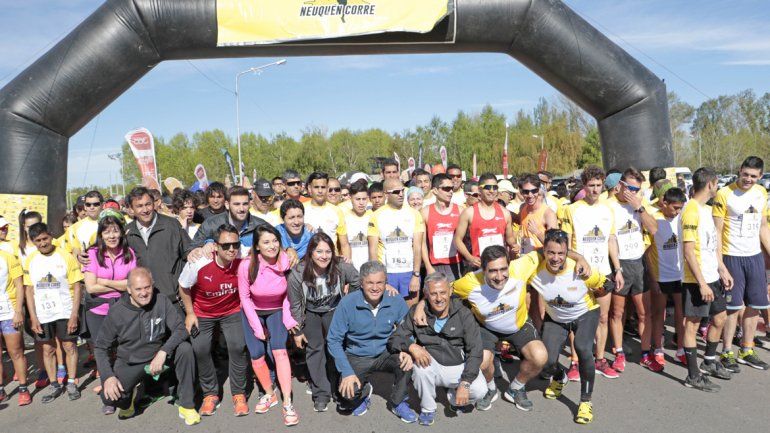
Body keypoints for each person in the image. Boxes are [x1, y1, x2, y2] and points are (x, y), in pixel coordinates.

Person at [447, 246, 559, 412]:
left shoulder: (520, 267)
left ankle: (516, 388)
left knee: (540, 357)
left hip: (518, 325)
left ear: (509, 265)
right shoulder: (469, 282)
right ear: (483, 269)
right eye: (492, 271)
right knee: (482, 361)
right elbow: (442, 290)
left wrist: (580, 259)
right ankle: (491, 388)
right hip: (487, 327)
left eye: (503, 269)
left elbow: (550, 247)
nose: (499, 277)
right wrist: (420, 306)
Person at [95, 267, 200, 425]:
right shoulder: (117, 312)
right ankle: (128, 400)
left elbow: (180, 329)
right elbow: (100, 347)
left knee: (185, 349)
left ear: (153, 285)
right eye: (138, 289)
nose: (143, 293)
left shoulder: (161, 300)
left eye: (147, 287)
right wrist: (108, 377)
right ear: (129, 289)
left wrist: (163, 351)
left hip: (158, 356)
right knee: (110, 398)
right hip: (131, 361)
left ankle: (187, 406)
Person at [388, 272, 485, 426]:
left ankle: (454, 397)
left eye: (443, 292)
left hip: (458, 365)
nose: (439, 298)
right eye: (433, 294)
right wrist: (412, 346)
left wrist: (465, 383)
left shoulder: (464, 313)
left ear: (450, 292)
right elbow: (395, 338)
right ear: (426, 294)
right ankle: (428, 408)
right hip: (432, 364)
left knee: (480, 391)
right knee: (420, 368)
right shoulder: (417, 312)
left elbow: (475, 350)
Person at [530, 229, 607, 425]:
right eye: (551, 253)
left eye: (561, 253)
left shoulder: (579, 268)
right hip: (556, 317)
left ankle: (585, 401)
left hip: (585, 314)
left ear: (567, 253)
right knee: (545, 361)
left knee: (582, 348)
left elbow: (607, 286)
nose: (555, 258)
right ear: (544, 251)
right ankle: (559, 377)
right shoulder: (534, 268)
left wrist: (603, 313)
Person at [326, 261, 417, 422]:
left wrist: (407, 350)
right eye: (370, 283)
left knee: (406, 363)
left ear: (385, 282)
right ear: (361, 283)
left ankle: (398, 402)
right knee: (348, 393)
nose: (375, 288)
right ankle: (365, 390)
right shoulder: (347, 303)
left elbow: (408, 330)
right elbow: (333, 340)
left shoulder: (395, 300)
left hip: (387, 351)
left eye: (379, 283)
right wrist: (346, 372)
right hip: (358, 354)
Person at [178, 224, 249, 417]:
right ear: (215, 246)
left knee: (237, 346)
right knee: (200, 348)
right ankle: (210, 393)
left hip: (231, 310)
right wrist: (190, 313)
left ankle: (239, 393)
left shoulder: (243, 258)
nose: (232, 249)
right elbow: (183, 286)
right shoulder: (199, 262)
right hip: (203, 312)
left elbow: (269, 248)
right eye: (226, 246)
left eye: (235, 244)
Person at [288, 232, 362, 412]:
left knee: (335, 349)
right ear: (311, 252)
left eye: (328, 251)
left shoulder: (341, 266)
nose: (324, 256)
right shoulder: (298, 272)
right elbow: (296, 305)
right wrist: (297, 331)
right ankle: (321, 392)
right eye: (319, 251)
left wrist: (348, 301)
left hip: (334, 310)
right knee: (315, 350)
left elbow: (358, 281)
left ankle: (338, 388)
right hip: (311, 313)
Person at [560, 166, 621, 379]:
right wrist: (577, 261)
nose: (595, 190)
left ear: (603, 184)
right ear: (584, 186)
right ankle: (575, 361)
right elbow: (565, 246)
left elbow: (611, 240)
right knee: (577, 319)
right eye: (591, 185)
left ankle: (600, 359)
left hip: (603, 272)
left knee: (602, 318)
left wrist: (618, 269)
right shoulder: (572, 209)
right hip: (579, 274)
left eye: (598, 185)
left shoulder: (608, 209)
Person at [237, 224, 299, 426]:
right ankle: (270, 393)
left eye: (275, 241)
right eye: (266, 242)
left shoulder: (285, 261)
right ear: (256, 246)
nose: (272, 246)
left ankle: (288, 403)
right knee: (257, 355)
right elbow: (244, 298)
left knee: (280, 351)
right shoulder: (246, 265)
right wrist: (256, 326)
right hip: (253, 310)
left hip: (278, 309)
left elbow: (289, 294)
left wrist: (288, 318)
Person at [713, 156, 770, 371]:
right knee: (733, 308)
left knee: (756, 305)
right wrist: (720, 264)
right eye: (745, 174)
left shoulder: (761, 193)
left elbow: (763, 226)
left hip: (754, 256)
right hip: (731, 256)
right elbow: (717, 231)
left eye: (753, 176)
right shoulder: (724, 193)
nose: (748, 179)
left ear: (760, 176)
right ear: (739, 171)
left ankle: (747, 348)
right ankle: (727, 350)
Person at [681, 167, 734, 392]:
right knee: (692, 325)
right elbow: (689, 251)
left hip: (712, 275)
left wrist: (722, 268)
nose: (718, 187)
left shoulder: (705, 209)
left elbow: (711, 245)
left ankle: (709, 361)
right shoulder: (691, 210)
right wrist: (701, 283)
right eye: (716, 184)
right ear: (711, 184)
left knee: (720, 318)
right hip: (696, 280)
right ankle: (693, 375)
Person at [606, 168, 662, 373]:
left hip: (639, 263)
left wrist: (639, 207)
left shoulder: (639, 204)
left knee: (643, 313)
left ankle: (646, 353)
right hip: (619, 264)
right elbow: (610, 238)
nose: (633, 192)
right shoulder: (609, 206)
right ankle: (619, 352)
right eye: (630, 188)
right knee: (618, 312)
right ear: (619, 185)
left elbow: (654, 229)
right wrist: (617, 268)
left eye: (637, 189)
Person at [83, 210, 137, 413]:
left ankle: (124, 389)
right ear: (101, 235)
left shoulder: (129, 254)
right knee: (103, 351)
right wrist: (119, 285)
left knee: (123, 349)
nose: (112, 236)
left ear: (122, 233)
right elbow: (91, 288)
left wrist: (103, 281)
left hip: (122, 308)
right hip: (98, 310)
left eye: (115, 231)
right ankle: (108, 395)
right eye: (107, 232)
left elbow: (131, 284)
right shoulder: (92, 254)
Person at [24, 222, 83, 403]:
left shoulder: (65, 256)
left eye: (45, 238)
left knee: (69, 347)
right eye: (38, 241)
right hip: (42, 314)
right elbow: (28, 290)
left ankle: (72, 382)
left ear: (51, 236)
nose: (42, 243)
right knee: (48, 349)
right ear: (33, 241)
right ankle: (54, 385)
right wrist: (33, 317)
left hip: (65, 311)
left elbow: (77, 286)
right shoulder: (31, 259)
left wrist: (74, 314)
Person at [124, 187, 191, 303]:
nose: (145, 210)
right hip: (143, 302)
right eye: (139, 206)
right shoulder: (127, 233)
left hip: (173, 300)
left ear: (154, 204)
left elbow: (189, 252)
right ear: (131, 209)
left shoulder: (171, 225)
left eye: (148, 204)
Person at [647, 187, 687, 365]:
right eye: (675, 208)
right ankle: (657, 349)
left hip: (681, 276)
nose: (677, 211)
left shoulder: (683, 219)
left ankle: (680, 349)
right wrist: (652, 278)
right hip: (661, 276)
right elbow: (647, 253)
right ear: (664, 203)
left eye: (680, 208)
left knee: (681, 314)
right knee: (659, 314)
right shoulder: (655, 219)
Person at [368, 178, 424, 305]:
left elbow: (417, 247)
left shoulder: (414, 214)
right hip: (387, 273)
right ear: (386, 194)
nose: (401, 194)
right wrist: (380, 279)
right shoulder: (376, 216)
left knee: (411, 314)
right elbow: (373, 251)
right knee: (389, 316)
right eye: (396, 191)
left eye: (402, 191)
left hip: (408, 272)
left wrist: (415, 275)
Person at [454, 173, 516, 271]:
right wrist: (470, 257)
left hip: (498, 267)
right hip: (478, 266)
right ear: (479, 190)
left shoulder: (505, 213)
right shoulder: (469, 212)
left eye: (495, 187)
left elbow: (510, 239)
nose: (491, 191)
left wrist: (515, 246)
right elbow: (457, 239)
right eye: (487, 187)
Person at [188, 186, 269, 260]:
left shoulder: (261, 226)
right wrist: (197, 250)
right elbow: (192, 247)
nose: (241, 209)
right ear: (227, 204)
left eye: (245, 204)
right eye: (236, 204)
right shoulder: (211, 224)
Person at [0, 247, 30, 405]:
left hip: (8, 312)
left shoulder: (7, 257)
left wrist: (18, 311)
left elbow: (20, 285)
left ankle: (23, 388)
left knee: (16, 351)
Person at [421, 174, 463, 279]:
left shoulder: (461, 210)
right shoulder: (425, 212)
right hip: (435, 265)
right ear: (435, 190)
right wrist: (428, 266)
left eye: (452, 188)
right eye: (446, 188)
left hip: (456, 264)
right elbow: (422, 243)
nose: (451, 191)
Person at [303, 172, 351, 260]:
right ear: (310, 188)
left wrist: (347, 265)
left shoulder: (337, 211)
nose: (320, 191)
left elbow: (344, 244)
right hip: (308, 262)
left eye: (323, 187)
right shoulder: (301, 209)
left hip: (331, 263)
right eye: (316, 187)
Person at [518, 174, 558, 255]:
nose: (530, 195)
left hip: (540, 262)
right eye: (526, 192)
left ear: (538, 190)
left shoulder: (548, 214)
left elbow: (554, 246)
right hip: (525, 259)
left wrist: (537, 232)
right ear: (521, 192)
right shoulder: (522, 208)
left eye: (534, 191)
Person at [344, 179, 373, 271]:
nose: (361, 203)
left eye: (364, 199)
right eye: (357, 199)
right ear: (350, 198)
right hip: (352, 270)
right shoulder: (344, 218)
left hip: (369, 269)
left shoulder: (373, 217)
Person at [69, 190, 104, 264]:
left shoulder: (112, 222)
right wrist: (79, 257)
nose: (92, 207)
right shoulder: (75, 228)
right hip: (88, 269)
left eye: (96, 204)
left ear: (102, 205)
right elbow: (76, 252)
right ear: (85, 206)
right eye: (88, 204)